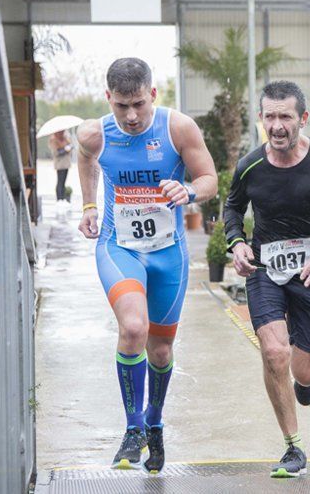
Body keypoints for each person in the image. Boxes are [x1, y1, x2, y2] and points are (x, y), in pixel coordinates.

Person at [76, 57, 217, 473]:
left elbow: (209, 177)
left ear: (153, 94)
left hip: (168, 253)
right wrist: (88, 204)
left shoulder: (178, 128)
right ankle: (133, 427)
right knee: (133, 328)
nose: (132, 115)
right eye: (121, 106)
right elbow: (85, 159)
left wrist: (188, 190)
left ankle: (154, 424)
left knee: (160, 348)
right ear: (109, 99)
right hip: (119, 248)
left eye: (138, 103)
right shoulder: (94, 133)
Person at [223, 81, 310, 478]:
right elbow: (232, 209)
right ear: (261, 120)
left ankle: (305, 385)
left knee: (305, 372)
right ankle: (293, 447)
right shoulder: (250, 165)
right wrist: (236, 243)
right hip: (264, 271)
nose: (277, 125)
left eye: (285, 116)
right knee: (274, 353)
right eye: (269, 116)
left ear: (302, 119)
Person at [49, 129, 73, 202]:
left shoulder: (65, 138)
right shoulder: (54, 140)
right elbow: (56, 152)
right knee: (60, 181)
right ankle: (59, 198)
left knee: (63, 182)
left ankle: (62, 198)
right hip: (60, 164)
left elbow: (70, 145)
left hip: (66, 164)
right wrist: (65, 150)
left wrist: (69, 147)